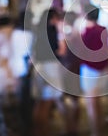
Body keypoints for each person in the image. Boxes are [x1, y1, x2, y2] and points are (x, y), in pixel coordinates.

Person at [31, 8, 68, 136]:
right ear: (53, 18)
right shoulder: (53, 31)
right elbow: (61, 51)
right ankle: (48, 131)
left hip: (39, 68)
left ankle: (38, 131)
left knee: (39, 102)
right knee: (49, 102)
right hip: (51, 68)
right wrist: (61, 34)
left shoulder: (38, 32)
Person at [79, 5, 108, 136]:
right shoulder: (103, 30)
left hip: (90, 70)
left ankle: (95, 131)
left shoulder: (86, 31)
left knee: (91, 103)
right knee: (97, 101)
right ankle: (100, 128)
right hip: (102, 69)